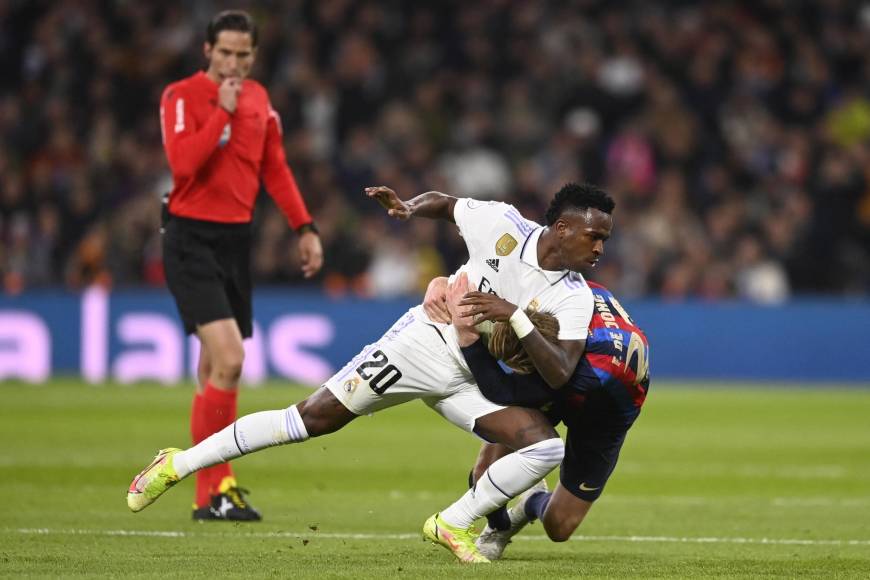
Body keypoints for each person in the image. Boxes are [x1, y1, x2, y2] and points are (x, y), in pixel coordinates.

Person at [128, 182, 614, 563]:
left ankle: (454, 523)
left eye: (605, 239)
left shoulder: (575, 295)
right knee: (311, 420)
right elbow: (445, 204)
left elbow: (561, 369)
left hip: (475, 373)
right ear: (563, 228)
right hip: (424, 343)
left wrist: (516, 315)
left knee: (546, 444)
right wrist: (407, 206)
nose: (600, 248)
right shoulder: (501, 223)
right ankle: (178, 463)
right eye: (594, 235)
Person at [157, 10, 323, 521]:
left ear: (254, 55)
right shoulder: (181, 97)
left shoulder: (260, 100)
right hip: (190, 237)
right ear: (207, 50)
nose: (234, 63)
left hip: (235, 240)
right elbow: (183, 166)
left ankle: (210, 496)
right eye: (225, 52)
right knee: (229, 359)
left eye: (243, 55)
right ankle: (217, 486)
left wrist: (304, 228)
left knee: (213, 367)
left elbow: (275, 168)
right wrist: (221, 114)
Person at [432, 271, 649, 560]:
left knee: (559, 526)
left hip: (603, 413)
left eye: (519, 365)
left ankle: (531, 501)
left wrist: (469, 338)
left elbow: (501, 390)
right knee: (484, 471)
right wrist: (441, 283)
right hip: (588, 364)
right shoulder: (563, 293)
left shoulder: (573, 375)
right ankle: (499, 527)